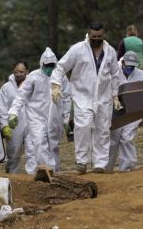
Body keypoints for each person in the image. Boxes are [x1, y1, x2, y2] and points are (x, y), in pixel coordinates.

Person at [50, 21, 122, 174]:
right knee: (83, 126)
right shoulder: (78, 49)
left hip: (104, 96)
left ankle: (100, 164)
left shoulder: (110, 52)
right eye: (94, 36)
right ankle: (82, 161)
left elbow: (115, 75)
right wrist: (56, 84)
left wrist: (115, 96)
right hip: (82, 95)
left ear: (104, 35)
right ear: (89, 34)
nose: (97, 39)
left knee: (102, 130)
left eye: (100, 36)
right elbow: (61, 66)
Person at [8, 48, 71, 173]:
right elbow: (21, 95)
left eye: (51, 65)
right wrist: (13, 112)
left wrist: (66, 119)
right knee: (39, 142)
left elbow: (67, 98)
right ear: (42, 64)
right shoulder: (33, 77)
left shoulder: (61, 77)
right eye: (46, 65)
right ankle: (49, 170)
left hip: (54, 116)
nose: (49, 68)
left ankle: (55, 171)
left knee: (53, 146)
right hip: (36, 116)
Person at [107, 51, 143, 172]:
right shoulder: (114, 71)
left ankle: (127, 169)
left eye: (133, 66)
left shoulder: (142, 75)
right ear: (123, 62)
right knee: (113, 140)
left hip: (133, 111)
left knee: (127, 138)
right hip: (115, 110)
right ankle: (106, 168)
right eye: (128, 65)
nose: (130, 68)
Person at [0, 60, 36, 173]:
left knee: (32, 151)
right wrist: (4, 126)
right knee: (13, 154)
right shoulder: (6, 88)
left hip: (31, 123)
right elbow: (2, 108)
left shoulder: (33, 84)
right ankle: (12, 177)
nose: (18, 74)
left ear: (27, 72)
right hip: (14, 126)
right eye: (16, 71)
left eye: (21, 71)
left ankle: (31, 177)